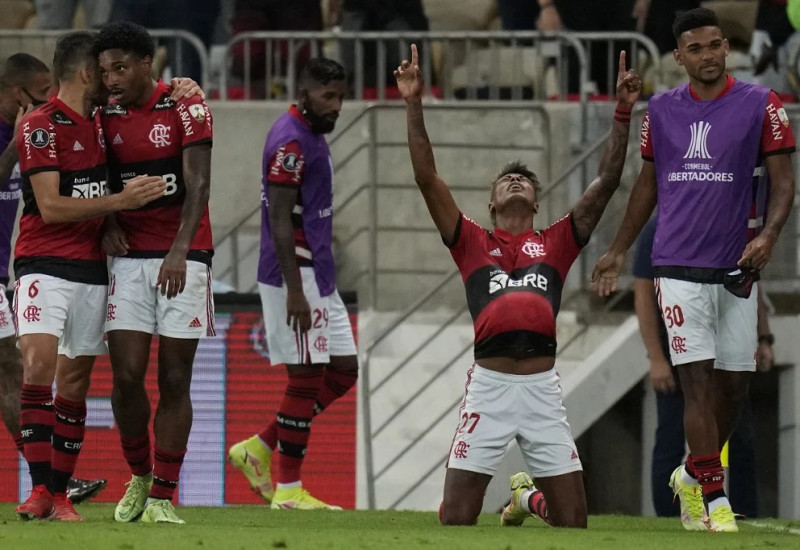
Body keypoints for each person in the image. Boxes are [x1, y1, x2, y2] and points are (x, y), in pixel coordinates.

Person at [395, 43, 641, 526]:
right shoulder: (468, 240)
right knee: (457, 518)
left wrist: (623, 111)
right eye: (505, 179)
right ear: (489, 204)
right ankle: (523, 498)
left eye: (523, 180)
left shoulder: (557, 241)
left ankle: (529, 500)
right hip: (488, 387)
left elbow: (607, 180)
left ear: (536, 201)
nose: (514, 182)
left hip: (541, 390)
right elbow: (426, 177)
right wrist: (413, 102)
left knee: (573, 522)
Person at [592, 7, 795, 533]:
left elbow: (784, 182)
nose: (707, 56)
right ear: (678, 56)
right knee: (697, 383)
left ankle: (690, 471)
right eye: (695, 49)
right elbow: (645, 187)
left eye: (714, 46)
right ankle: (713, 497)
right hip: (677, 265)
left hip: (738, 267)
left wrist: (770, 236)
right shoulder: (661, 110)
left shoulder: (762, 105)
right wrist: (618, 248)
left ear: (727, 47)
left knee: (734, 386)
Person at [12, 32, 167, 521]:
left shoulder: (104, 122)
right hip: (43, 263)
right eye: (103, 71)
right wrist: (121, 203)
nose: (109, 79)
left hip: (94, 271)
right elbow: (54, 207)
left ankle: (59, 495)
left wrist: (182, 87)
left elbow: (151, 97)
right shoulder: (40, 126)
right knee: (37, 367)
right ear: (85, 73)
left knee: (74, 384)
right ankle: (39, 490)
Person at [93, 21, 215, 525]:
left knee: (174, 377)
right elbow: (89, 175)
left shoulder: (186, 103)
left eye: (120, 67)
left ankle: (163, 496)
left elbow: (199, 183)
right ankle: (140, 475)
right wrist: (106, 224)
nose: (112, 78)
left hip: (184, 257)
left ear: (148, 63)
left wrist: (179, 252)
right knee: (124, 378)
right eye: (104, 71)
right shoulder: (102, 114)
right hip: (128, 258)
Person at [227, 57, 356, 511]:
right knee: (305, 378)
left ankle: (259, 447)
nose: (337, 106)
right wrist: (296, 291)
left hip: (316, 272)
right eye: (328, 96)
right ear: (305, 93)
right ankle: (288, 491)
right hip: (294, 274)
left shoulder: (311, 133)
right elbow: (279, 218)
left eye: (341, 96)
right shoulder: (291, 142)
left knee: (343, 369)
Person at [0, 53, 110, 507]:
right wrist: (15, 143)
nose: (49, 97)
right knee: (18, 368)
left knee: (14, 370)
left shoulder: (53, 127)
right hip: (31, 266)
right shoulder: (28, 131)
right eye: (41, 89)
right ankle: (44, 479)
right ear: (16, 93)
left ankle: (44, 482)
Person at [633, 218, 763, 519]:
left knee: (737, 433)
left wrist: (763, 336)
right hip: (677, 345)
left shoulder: (731, 223)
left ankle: (736, 504)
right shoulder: (657, 229)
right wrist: (655, 357)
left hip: (724, 345)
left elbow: (749, 287)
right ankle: (674, 512)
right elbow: (642, 293)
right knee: (670, 435)